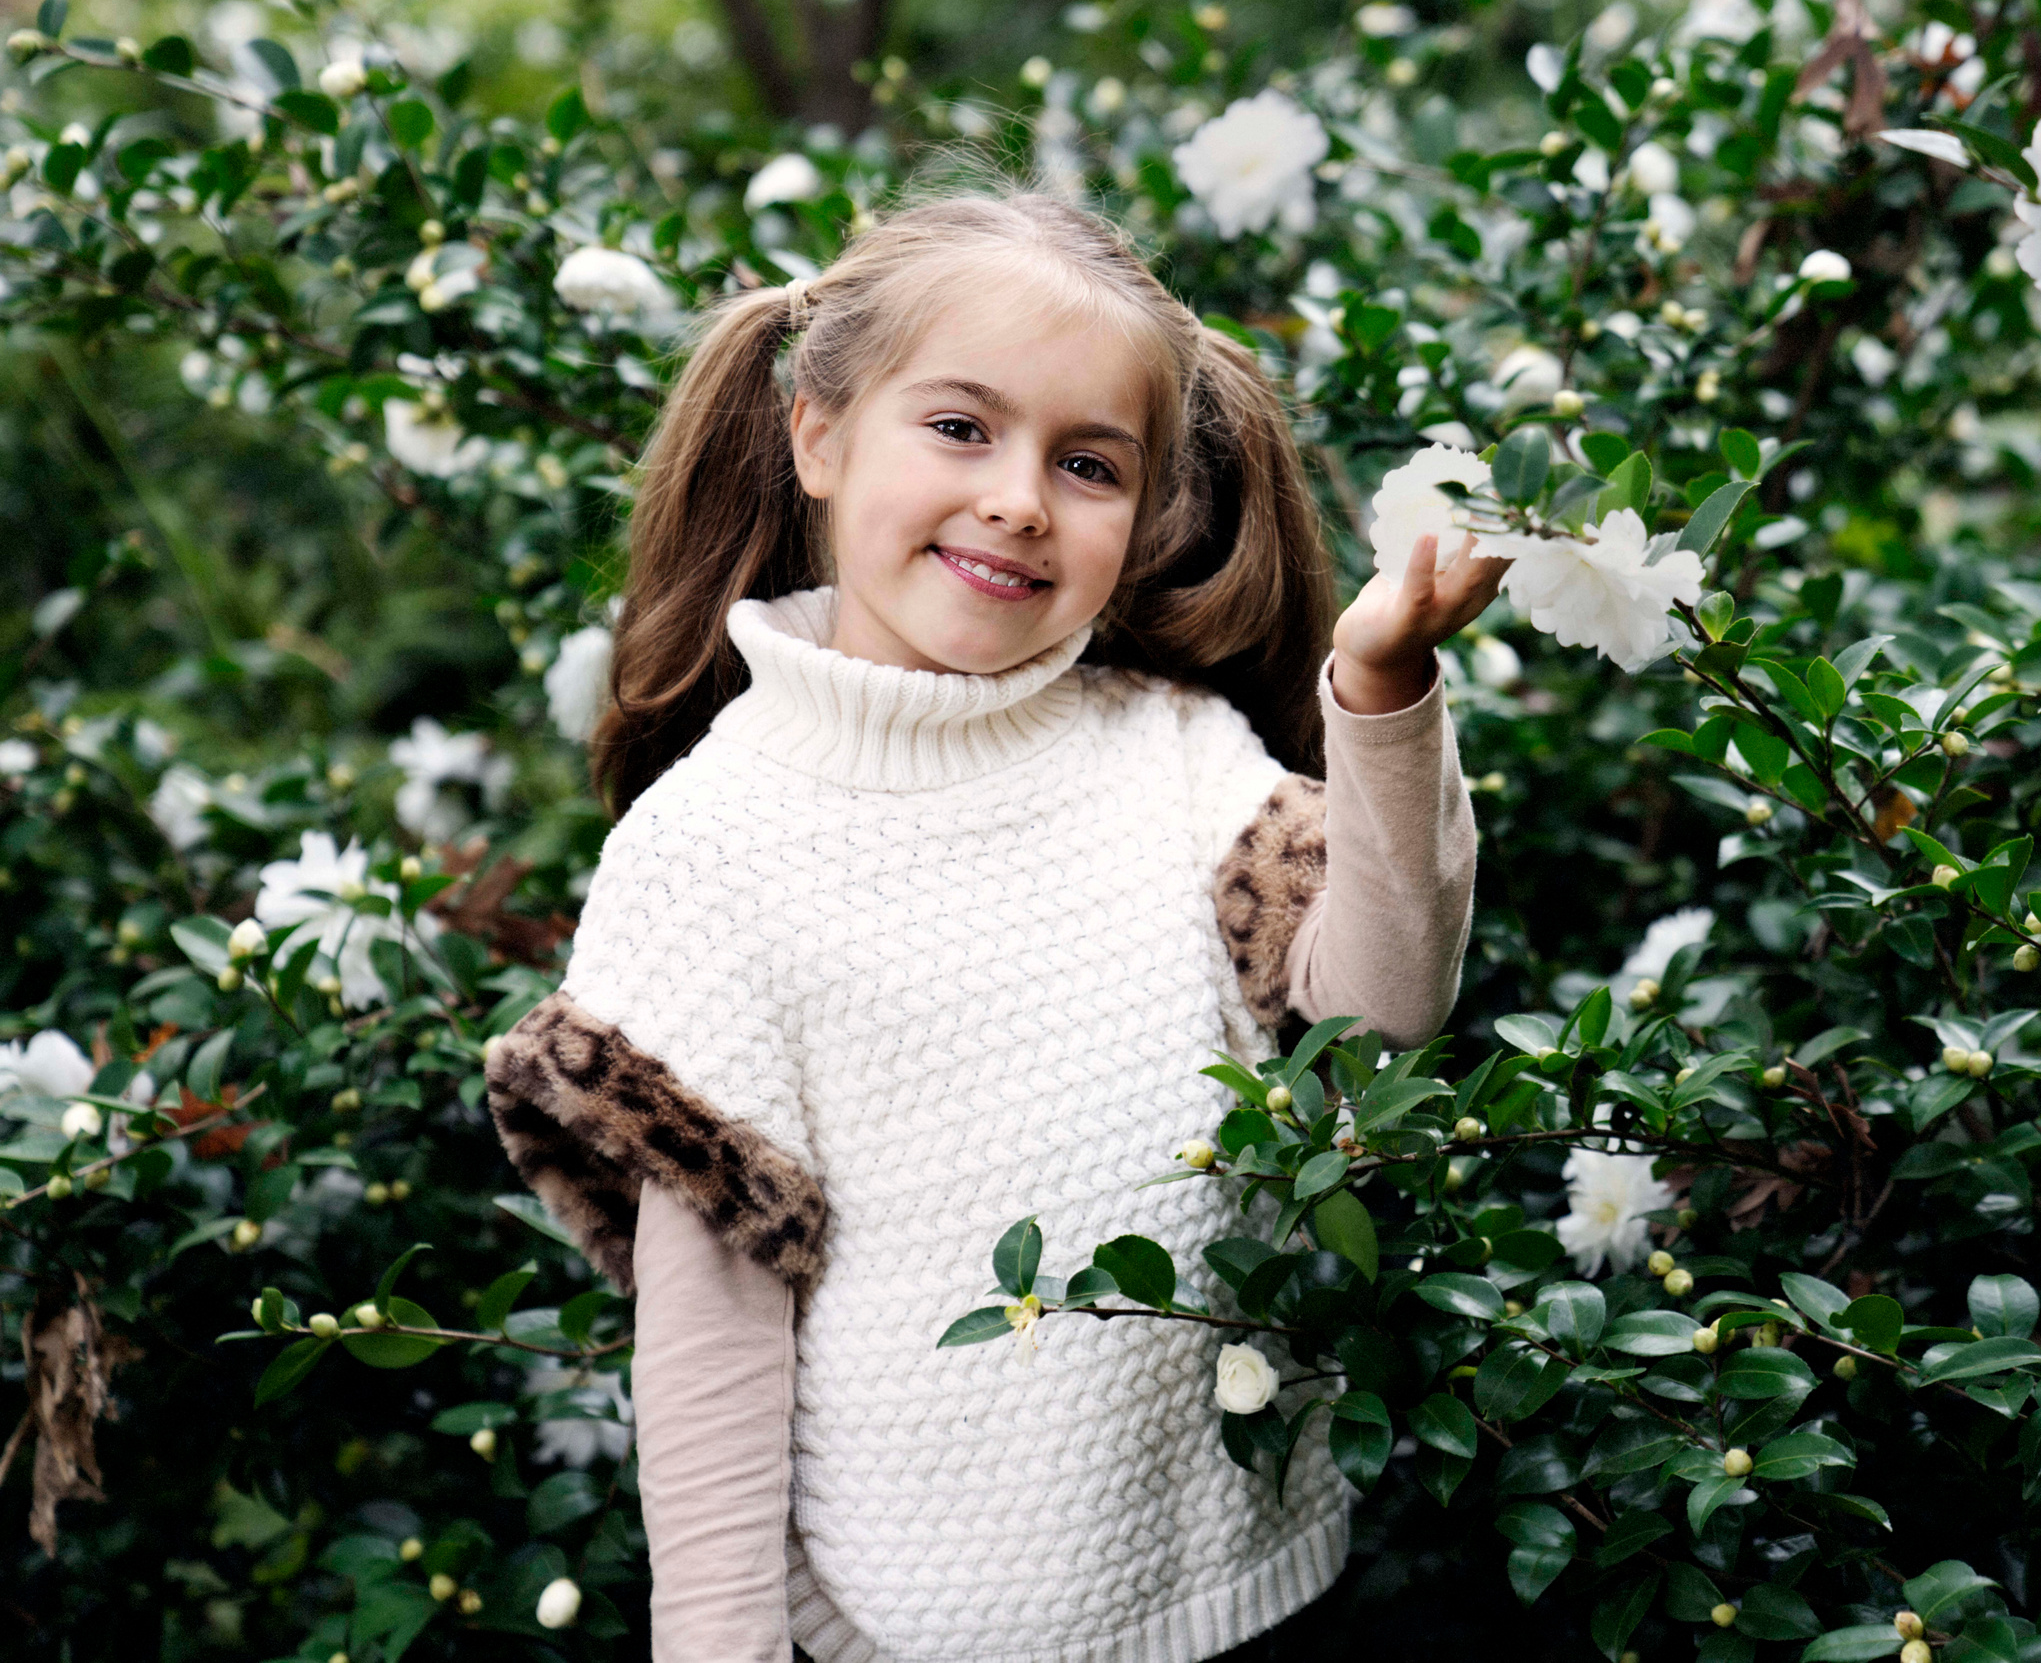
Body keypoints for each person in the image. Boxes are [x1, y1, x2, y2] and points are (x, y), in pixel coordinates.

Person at [482, 187, 1498, 1663]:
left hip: (1253, 1586)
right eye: (960, 428)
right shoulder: (708, 855)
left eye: (1087, 464)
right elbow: (712, 1339)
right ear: (819, 436)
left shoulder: (1174, 754)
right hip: (919, 1626)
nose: (1021, 499)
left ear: (1143, 512)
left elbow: (1386, 1005)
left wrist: (1386, 694)